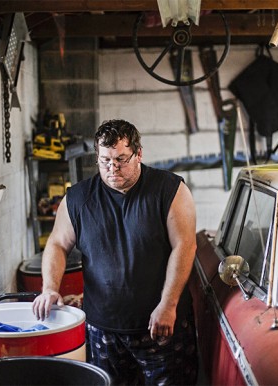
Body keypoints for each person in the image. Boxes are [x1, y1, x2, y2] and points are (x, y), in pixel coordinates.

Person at [32, 119, 198, 385]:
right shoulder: (78, 198)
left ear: (138, 153)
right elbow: (57, 244)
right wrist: (50, 287)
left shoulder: (170, 190)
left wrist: (168, 304)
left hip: (160, 323)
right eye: (105, 161)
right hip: (103, 330)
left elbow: (185, 245)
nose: (112, 168)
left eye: (121, 159)